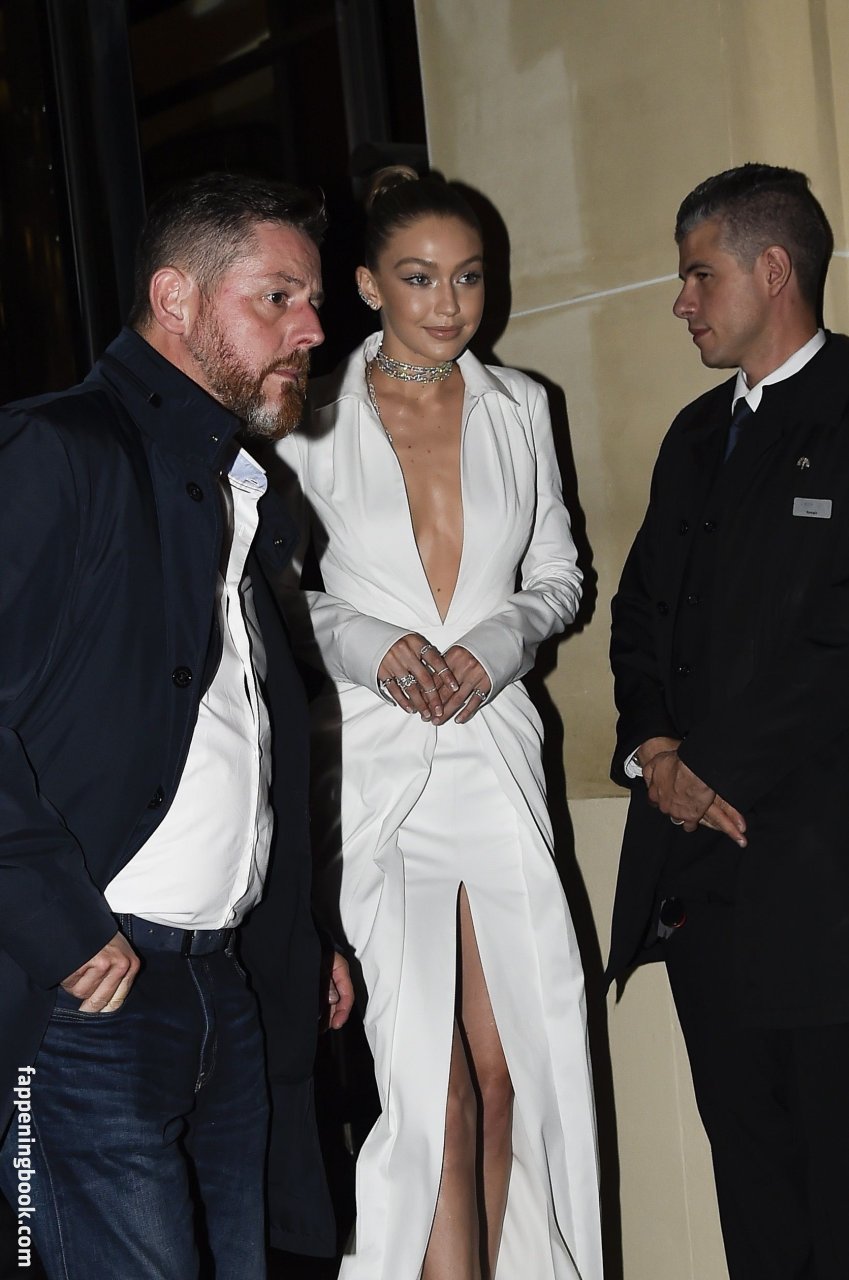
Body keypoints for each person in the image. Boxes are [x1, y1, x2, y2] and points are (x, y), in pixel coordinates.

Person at [0, 171, 353, 1280]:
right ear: (176, 299)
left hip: (219, 986)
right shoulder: (59, 450)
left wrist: (298, 933)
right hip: (87, 994)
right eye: (278, 297)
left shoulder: (232, 489)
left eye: (312, 300)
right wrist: (60, 928)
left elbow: (238, 743)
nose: (313, 327)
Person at [274, 167, 603, 1280]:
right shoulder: (307, 419)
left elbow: (558, 576)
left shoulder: (522, 406)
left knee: (517, 1073)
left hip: (497, 750)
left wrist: (501, 642)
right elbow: (274, 594)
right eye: (419, 278)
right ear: (369, 285)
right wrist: (368, 644)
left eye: (469, 277)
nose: (450, 303)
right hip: (380, 767)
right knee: (431, 1087)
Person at [608, 163, 849, 1280]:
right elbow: (640, 613)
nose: (681, 301)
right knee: (750, 1190)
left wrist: (709, 765)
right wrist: (656, 752)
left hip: (824, 881)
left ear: (773, 269)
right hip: (703, 884)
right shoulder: (695, 433)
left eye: (699, 274)